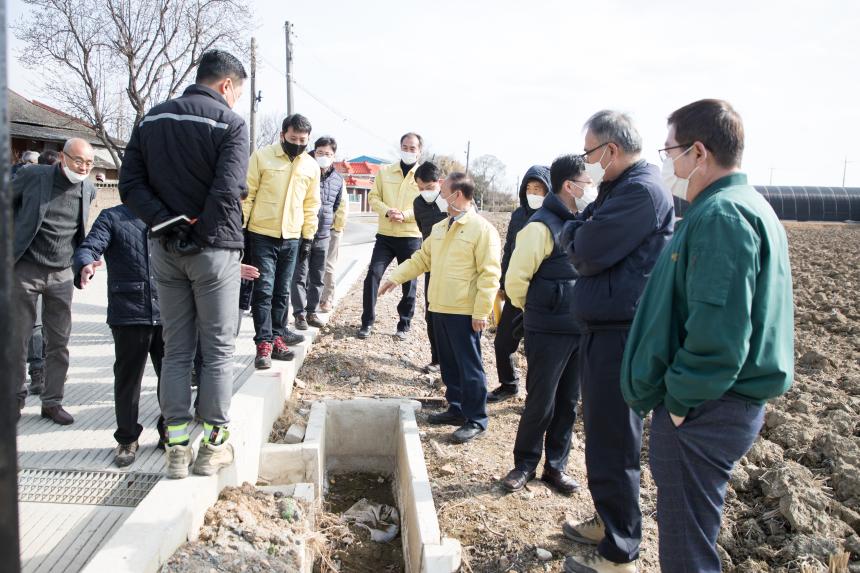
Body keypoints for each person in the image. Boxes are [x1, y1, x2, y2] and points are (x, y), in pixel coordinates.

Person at [621, 99, 794, 573]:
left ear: (698, 152)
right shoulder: (739, 206)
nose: (665, 163)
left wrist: (679, 401)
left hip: (704, 410)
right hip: (714, 405)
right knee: (689, 532)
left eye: (669, 149)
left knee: (686, 544)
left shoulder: (722, 216)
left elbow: (719, 335)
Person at [120, 49, 249, 479]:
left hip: (165, 249)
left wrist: (165, 222)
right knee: (216, 351)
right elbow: (227, 189)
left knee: (176, 349)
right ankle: (213, 447)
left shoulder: (152, 118)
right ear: (226, 85)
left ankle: (176, 447)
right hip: (215, 252)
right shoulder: (230, 124)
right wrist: (202, 231)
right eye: (238, 92)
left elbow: (130, 185)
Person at [561, 111, 674, 573]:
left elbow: (584, 250)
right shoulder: (618, 188)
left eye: (588, 152)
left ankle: (620, 552)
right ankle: (609, 521)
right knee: (603, 435)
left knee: (614, 440)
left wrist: (575, 234)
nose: (585, 162)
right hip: (603, 326)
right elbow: (579, 233)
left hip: (621, 331)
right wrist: (577, 232)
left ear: (609, 150)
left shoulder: (641, 191)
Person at [380, 173, 501, 443]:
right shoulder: (441, 227)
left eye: (443, 191)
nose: (440, 195)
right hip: (440, 307)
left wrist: (482, 311)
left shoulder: (482, 230)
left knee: (469, 366)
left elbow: (489, 275)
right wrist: (394, 277)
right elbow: (422, 259)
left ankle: (476, 419)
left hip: (465, 311)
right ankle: (456, 408)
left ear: (458, 194)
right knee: (448, 364)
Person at [501, 155, 594, 496]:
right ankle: (524, 463)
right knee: (542, 402)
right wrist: (539, 312)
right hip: (548, 329)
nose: (591, 188)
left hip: (579, 329)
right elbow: (516, 281)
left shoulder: (585, 221)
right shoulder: (540, 227)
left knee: (569, 402)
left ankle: (556, 467)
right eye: (587, 182)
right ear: (570, 186)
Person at [11, 138, 98, 425]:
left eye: (88, 163)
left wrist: (85, 260)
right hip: (26, 268)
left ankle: (52, 402)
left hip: (61, 272)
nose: (83, 167)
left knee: (58, 342)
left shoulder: (88, 187)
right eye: (77, 161)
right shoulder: (33, 175)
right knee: (18, 338)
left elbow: (80, 229)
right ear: (62, 157)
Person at [72, 204, 165, 467]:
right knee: (128, 379)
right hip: (128, 312)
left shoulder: (168, 212)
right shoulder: (112, 217)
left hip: (169, 310)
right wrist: (85, 264)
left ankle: (168, 429)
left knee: (171, 376)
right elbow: (90, 246)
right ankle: (127, 437)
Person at [243, 113, 321, 369]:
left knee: (282, 290)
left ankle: (278, 336)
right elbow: (248, 194)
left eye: (303, 140)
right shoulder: (262, 157)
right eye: (293, 138)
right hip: (261, 234)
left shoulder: (310, 166)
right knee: (264, 290)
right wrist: (241, 230)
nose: (297, 143)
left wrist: (308, 237)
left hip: (292, 237)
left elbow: (311, 205)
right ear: (282, 135)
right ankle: (262, 344)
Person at [488, 165, 551, 403]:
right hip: (516, 289)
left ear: (549, 192)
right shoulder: (518, 215)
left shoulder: (553, 217)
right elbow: (509, 250)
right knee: (503, 342)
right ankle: (508, 384)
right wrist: (504, 282)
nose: (533, 193)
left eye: (539, 189)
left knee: (536, 351)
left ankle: (535, 399)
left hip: (541, 294)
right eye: (529, 188)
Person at [358, 133, 424, 340]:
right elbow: (374, 197)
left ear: (419, 150)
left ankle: (404, 324)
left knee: (409, 282)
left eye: (412, 148)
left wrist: (405, 215)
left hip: (411, 236)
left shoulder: (423, 176)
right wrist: (388, 211)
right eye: (405, 147)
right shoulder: (385, 172)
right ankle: (367, 321)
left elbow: (425, 204)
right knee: (373, 275)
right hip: (386, 236)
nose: (408, 151)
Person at [291, 136, 347, 330]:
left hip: (323, 234)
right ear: (314, 152)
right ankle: (298, 314)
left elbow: (336, 205)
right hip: (301, 232)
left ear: (334, 156)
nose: (324, 156)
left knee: (317, 275)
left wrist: (332, 225)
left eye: (328, 154)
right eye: (321, 152)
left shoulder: (338, 180)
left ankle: (311, 311)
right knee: (300, 274)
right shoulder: (303, 171)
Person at [411, 161, 446, 373]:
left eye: (429, 188)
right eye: (421, 188)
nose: (425, 193)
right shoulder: (418, 204)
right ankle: (437, 359)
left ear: (439, 182)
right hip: (431, 265)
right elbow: (421, 229)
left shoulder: (451, 199)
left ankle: (454, 359)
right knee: (431, 312)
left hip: (454, 267)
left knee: (452, 315)